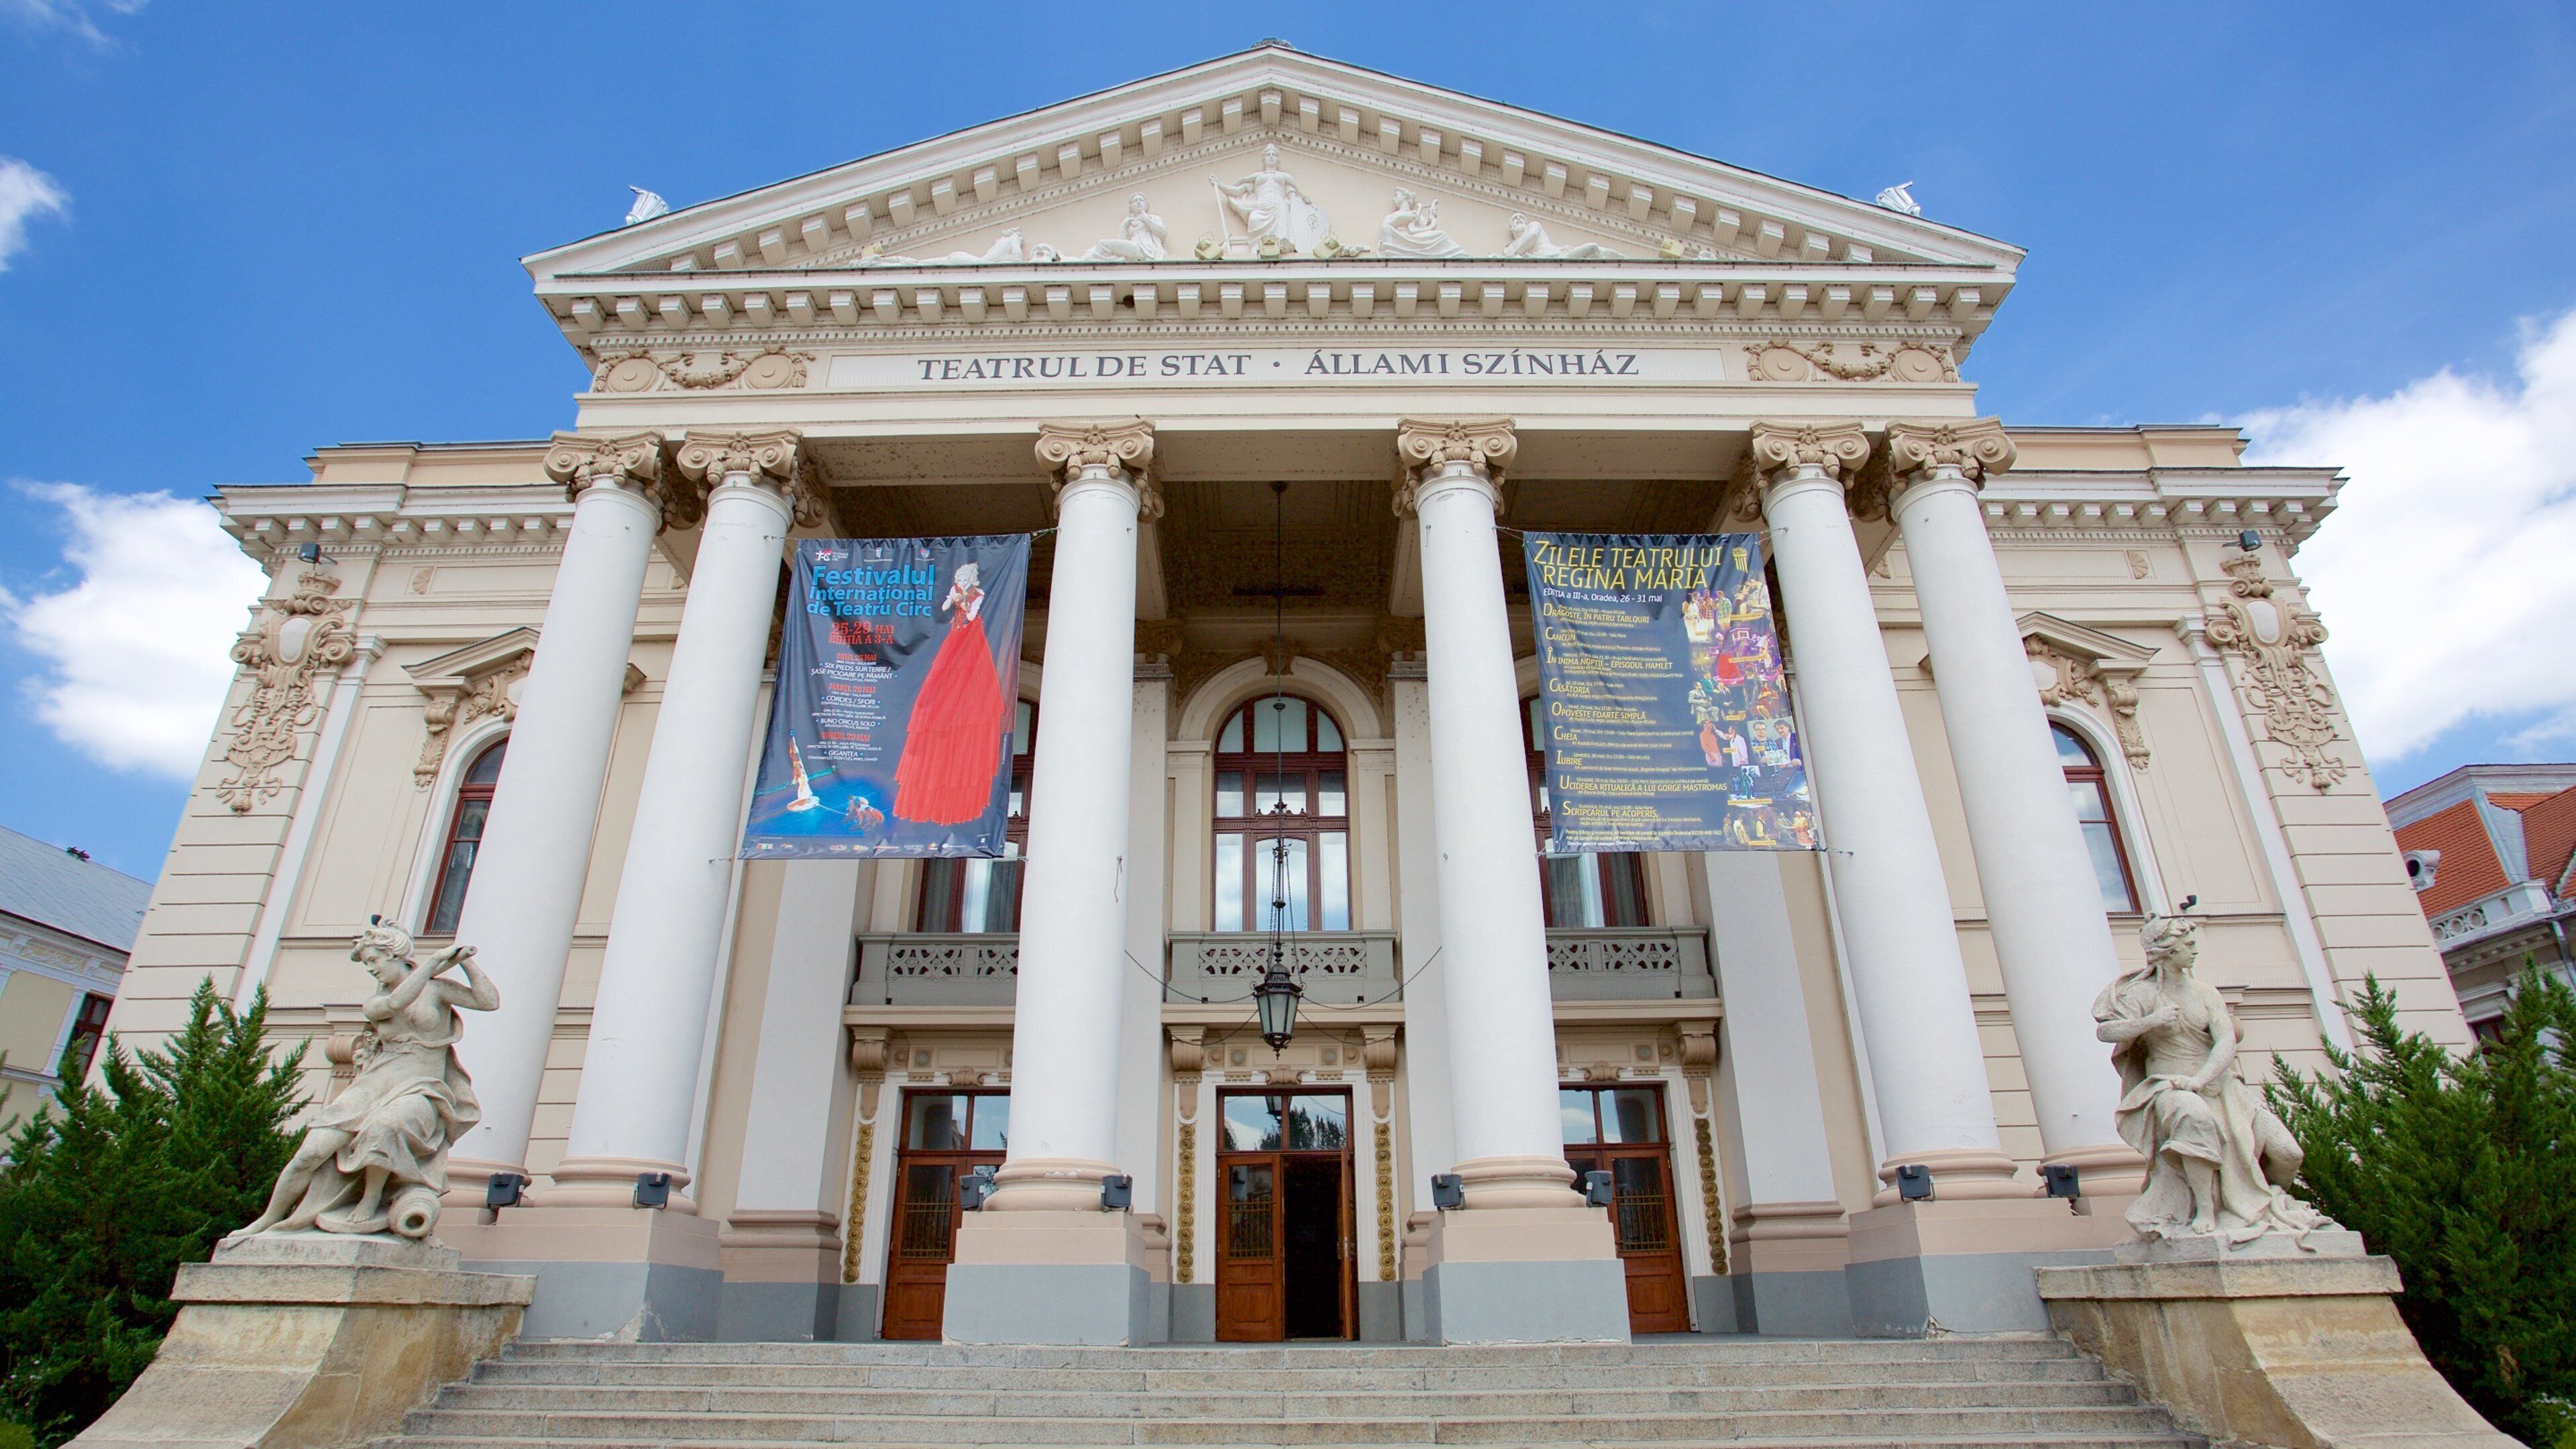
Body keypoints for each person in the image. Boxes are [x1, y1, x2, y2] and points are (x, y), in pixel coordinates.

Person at [230, 922, 496, 1240]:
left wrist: (465, 961)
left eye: (374, 960)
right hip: (375, 1084)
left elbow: (489, 1001)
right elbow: (397, 1003)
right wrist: (433, 962)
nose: (371, 969)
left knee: (386, 1126)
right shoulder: (377, 1001)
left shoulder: (437, 991)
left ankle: (371, 1199)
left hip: (420, 1085)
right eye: (368, 963)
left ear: (395, 955)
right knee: (310, 1153)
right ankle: (270, 1218)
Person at [2094, 914, 2335, 1242]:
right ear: (2166, 951)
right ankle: (2206, 1208)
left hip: (2218, 1085)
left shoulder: (2206, 993)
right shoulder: (2141, 995)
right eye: (2188, 945)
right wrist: (2150, 1022)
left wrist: (2202, 1078)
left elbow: (2226, 1042)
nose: (2195, 950)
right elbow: (2107, 1031)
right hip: (2167, 1085)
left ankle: (2269, 1199)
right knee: (2194, 1118)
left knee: (2288, 1152)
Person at [893, 561, 1010, 825]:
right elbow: (946, 609)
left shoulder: (977, 595)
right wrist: (952, 599)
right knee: (943, 678)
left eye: (964, 577)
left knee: (971, 683)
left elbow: (970, 617)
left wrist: (964, 602)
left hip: (971, 639)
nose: (962, 580)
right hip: (955, 638)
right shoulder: (958, 588)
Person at [1077, 195, 1169, 262]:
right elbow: (1121, 242)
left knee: (1103, 244)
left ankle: (1080, 264)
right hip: (1133, 248)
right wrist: (1123, 226)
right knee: (1096, 248)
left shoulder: (1154, 218)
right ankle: (1082, 262)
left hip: (1146, 249)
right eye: (1135, 201)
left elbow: (1163, 233)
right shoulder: (1129, 222)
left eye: (1141, 200)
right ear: (1131, 207)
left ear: (1146, 205)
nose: (1139, 202)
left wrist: (1147, 220)